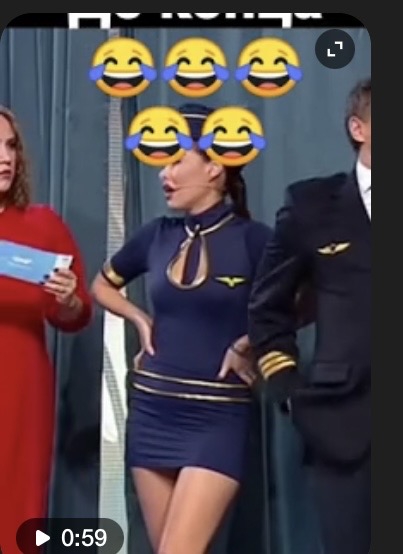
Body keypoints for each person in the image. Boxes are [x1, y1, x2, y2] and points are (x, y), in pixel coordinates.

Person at [91, 103, 274, 554]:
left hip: (217, 418)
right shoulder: (156, 234)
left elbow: (304, 302)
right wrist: (140, 318)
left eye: (176, 160)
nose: (163, 174)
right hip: (152, 412)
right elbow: (101, 285)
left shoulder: (254, 240)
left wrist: (249, 342)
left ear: (215, 167)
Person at [248, 77, 371, 554]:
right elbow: (267, 308)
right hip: (346, 427)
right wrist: (290, 391)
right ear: (359, 128)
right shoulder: (311, 205)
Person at [0, 106, 92, 553]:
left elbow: (74, 315)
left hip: (20, 387)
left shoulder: (43, 224)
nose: (6, 158)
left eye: (11, 146)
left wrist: (69, 300)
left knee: (17, 506)